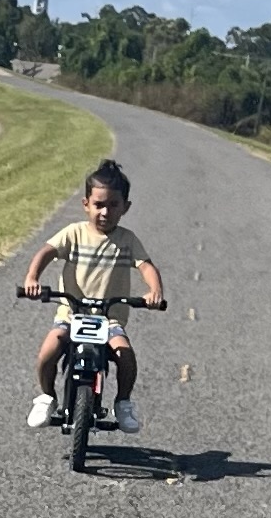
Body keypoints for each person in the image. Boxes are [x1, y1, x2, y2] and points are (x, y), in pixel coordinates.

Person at [21, 159, 164, 433]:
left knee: (125, 354)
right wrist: (32, 277)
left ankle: (123, 402)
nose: (105, 212)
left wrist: (154, 291)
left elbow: (146, 266)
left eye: (113, 205)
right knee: (48, 350)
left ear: (125, 207)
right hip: (71, 314)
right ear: (86, 204)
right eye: (99, 205)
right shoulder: (74, 233)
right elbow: (47, 252)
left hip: (109, 320)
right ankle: (47, 396)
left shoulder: (127, 240)